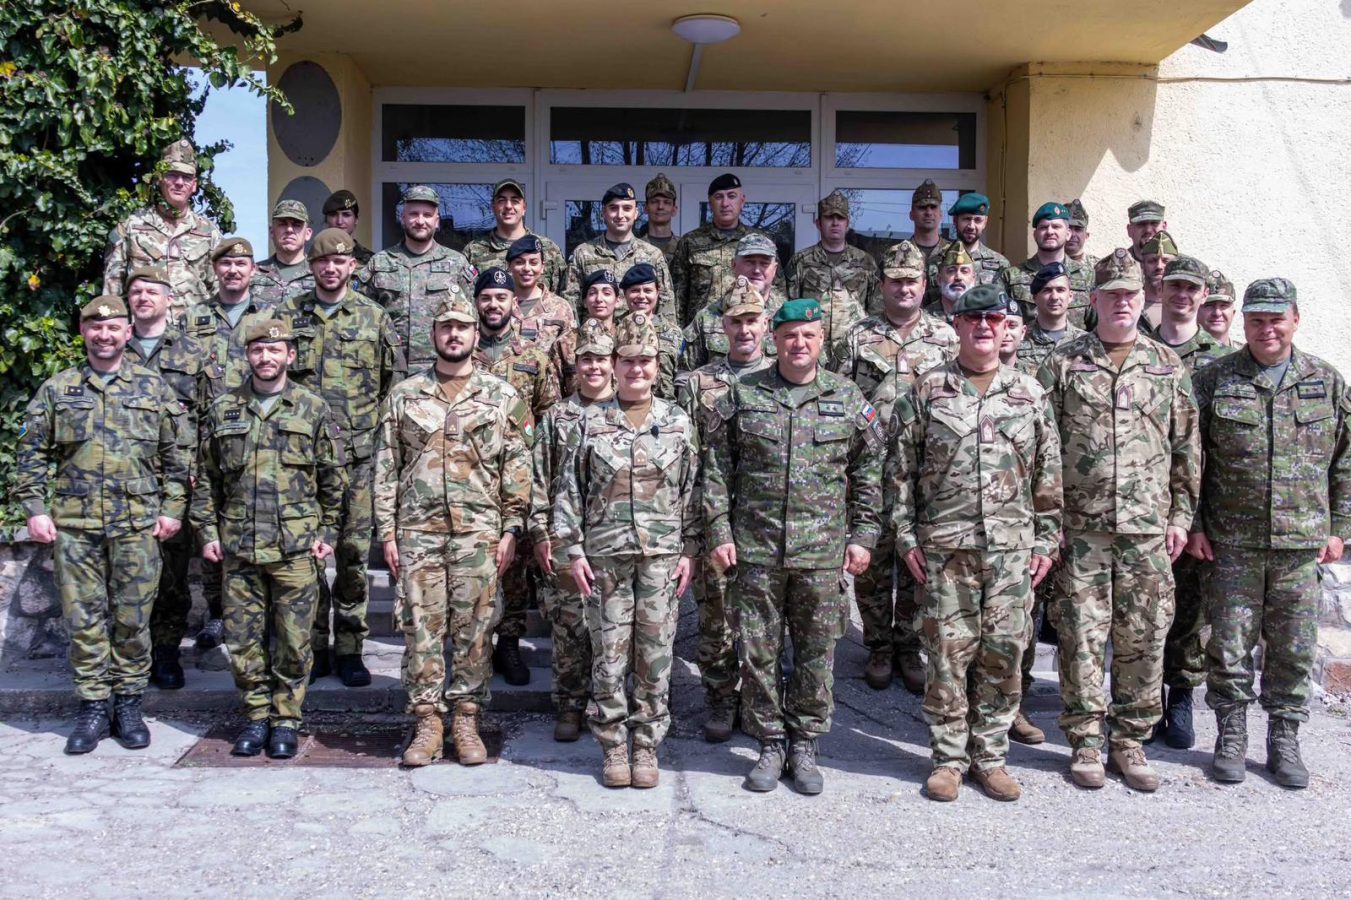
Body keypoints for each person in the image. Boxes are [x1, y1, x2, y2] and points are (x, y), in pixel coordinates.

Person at [704, 298, 885, 795]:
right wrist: (719, 531)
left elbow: (870, 472)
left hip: (821, 553)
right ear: (774, 340)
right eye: (789, 336)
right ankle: (769, 741)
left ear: (821, 339)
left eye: (808, 335)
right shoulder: (743, 395)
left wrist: (863, 535)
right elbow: (715, 471)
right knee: (757, 651)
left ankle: (804, 742)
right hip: (756, 549)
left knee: (815, 652)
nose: (798, 343)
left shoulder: (846, 397)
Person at [1037, 248, 1200, 792]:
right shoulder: (1063, 363)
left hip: (1147, 529)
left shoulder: (1166, 366)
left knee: (1144, 637)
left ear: (1141, 297)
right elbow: (1041, 448)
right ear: (1095, 300)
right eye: (1112, 295)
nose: (1122, 303)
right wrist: (1049, 521)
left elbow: (1186, 448)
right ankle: (1086, 740)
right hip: (1081, 530)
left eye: (1131, 294)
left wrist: (1181, 517)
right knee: (1080, 636)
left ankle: (1130, 739)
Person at [892, 283, 1061, 802]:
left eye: (994, 319)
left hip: (1011, 550)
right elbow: (899, 471)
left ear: (1007, 326)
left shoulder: (1029, 393)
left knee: (1003, 653)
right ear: (957, 326)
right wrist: (904, 535)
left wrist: (1046, 541)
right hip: (946, 550)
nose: (984, 327)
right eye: (973, 319)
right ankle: (948, 759)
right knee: (946, 654)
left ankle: (990, 757)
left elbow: (1048, 472)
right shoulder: (927, 391)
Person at [1190, 278, 1351, 788]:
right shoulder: (1215, 379)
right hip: (1231, 542)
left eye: (1276, 319)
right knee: (1228, 645)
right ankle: (1231, 736)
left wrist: (1341, 528)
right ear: (1244, 322)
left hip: (1301, 544)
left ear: (1295, 320)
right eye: (1256, 320)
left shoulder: (1326, 381)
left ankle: (1284, 738)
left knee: (1293, 648)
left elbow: (1346, 461)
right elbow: (1190, 461)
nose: (1267, 329)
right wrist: (1194, 524)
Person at [15, 296, 189, 754]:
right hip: (76, 525)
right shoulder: (58, 389)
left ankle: (129, 705)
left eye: (113, 327)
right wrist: (35, 508)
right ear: (83, 332)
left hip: (137, 525)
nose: (104, 334)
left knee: (133, 618)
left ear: (128, 332)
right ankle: (93, 706)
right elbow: (30, 453)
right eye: (96, 327)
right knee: (84, 619)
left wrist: (173, 507)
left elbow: (178, 455)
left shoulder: (153, 389)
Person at [374, 292, 533, 767]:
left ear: (475, 333)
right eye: (446, 327)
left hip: (478, 533)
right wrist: (387, 533)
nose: (454, 334)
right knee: (420, 628)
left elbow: (517, 467)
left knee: (476, 628)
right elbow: (385, 467)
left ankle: (466, 718)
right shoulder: (404, 395)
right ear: (434, 334)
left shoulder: (501, 396)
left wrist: (512, 529)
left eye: (462, 327)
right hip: (418, 532)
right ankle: (427, 722)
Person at [556, 312, 699, 788]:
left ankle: (647, 745)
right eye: (629, 361)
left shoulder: (677, 421)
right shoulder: (589, 422)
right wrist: (573, 550)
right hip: (605, 558)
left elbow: (693, 489)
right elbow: (568, 490)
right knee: (609, 655)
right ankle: (614, 744)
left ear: (657, 366)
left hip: (660, 558)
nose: (637, 369)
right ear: (615, 365)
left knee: (655, 656)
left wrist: (690, 549)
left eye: (646, 361)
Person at [192, 316, 346, 759]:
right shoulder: (224, 409)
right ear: (247, 355)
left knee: (295, 641)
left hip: (296, 547)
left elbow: (332, 478)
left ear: (290, 356)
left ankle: (286, 721)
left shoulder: (312, 408)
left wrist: (328, 531)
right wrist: (207, 532)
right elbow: (205, 478)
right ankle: (256, 716)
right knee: (243, 641)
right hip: (240, 545)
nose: (266, 357)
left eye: (274, 350)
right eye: (258, 350)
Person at [834, 240, 958, 692]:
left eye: (911, 281)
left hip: (924, 469)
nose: (904, 288)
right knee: (872, 558)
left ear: (924, 284)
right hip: (871, 466)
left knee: (915, 561)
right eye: (895, 281)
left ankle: (909, 645)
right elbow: (840, 397)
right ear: (882, 284)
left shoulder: (946, 337)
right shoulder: (857, 335)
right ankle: (879, 646)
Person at [282, 228, 403, 687]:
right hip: (303, 461)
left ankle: (350, 647)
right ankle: (314, 646)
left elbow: (393, 384)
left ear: (353, 265)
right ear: (311, 266)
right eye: (321, 261)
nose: (330, 268)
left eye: (339, 260)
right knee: (307, 555)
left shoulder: (374, 317)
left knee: (352, 555)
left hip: (358, 460)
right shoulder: (289, 316)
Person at [675, 279, 773, 741]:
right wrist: (689, 531)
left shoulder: (782, 376)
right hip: (710, 515)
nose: (744, 330)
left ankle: (758, 699)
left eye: (752, 320)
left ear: (765, 324)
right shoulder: (697, 384)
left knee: (762, 617)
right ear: (723, 327)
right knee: (714, 614)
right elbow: (685, 458)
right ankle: (719, 695)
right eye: (736, 322)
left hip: (765, 518)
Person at [1150, 254, 1236, 750]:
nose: (1182, 295)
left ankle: (1180, 696)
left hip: (1198, 506)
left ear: (1203, 297)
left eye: (1192, 289)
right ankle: (1139, 700)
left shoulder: (1222, 361)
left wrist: (1200, 516)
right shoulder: (1136, 344)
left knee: (1189, 609)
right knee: (1139, 612)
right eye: (1175, 286)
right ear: (1162, 290)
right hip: (1140, 502)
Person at [528, 319, 619, 741]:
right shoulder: (557, 416)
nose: (593, 367)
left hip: (613, 538)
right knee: (569, 626)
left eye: (601, 359)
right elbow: (537, 478)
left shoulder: (627, 412)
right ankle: (569, 704)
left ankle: (608, 703)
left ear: (613, 362)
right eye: (586, 360)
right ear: (575, 365)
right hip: (565, 538)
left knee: (612, 627)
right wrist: (540, 532)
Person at [472, 266, 561, 684]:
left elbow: (549, 419)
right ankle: (475, 646)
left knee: (516, 567)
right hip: (470, 478)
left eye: (501, 297)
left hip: (518, 478)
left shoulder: (533, 358)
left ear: (514, 303)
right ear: (477, 303)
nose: (493, 304)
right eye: (486, 297)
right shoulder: (462, 353)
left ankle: (509, 642)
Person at [183, 238, 271, 652]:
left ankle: (261, 612)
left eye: (241, 263)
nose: (233, 270)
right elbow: (179, 383)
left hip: (258, 438)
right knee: (211, 525)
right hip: (208, 439)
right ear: (214, 269)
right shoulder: (192, 319)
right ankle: (218, 612)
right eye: (226, 263)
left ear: (253, 270)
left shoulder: (270, 316)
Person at [122, 267, 208, 691]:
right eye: (136, 291)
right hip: (125, 480)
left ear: (169, 299)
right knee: (126, 576)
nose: (143, 298)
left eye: (152, 291)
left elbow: (208, 417)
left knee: (172, 575)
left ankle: (167, 652)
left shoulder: (193, 353)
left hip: (177, 480)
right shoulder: (114, 348)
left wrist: (199, 473)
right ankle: (129, 659)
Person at [364, 185, 477, 376]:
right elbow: (361, 316)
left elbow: (473, 319)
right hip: (389, 370)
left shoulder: (457, 264)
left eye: (427, 215)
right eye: (413, 214)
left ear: (437, 221)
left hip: (441, 370)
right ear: (403, 218)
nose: (420, 221)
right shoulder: (379, 263)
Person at [103, 139, 221, 322]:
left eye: (186, 177)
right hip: (145, 332)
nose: (179, 183)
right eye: (172, 175)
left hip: (195, 334)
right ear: (159, 178)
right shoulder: (131, 227)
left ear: (194, 185)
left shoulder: (209, 232)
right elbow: (112, 289)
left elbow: (219, 290)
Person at [671, 173, 785, 327]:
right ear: (710, 203)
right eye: (719, 197)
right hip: (704, 331)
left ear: (742, 201)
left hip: (750, 328)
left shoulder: (761, 242)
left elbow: (778, 290)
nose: (725, 203)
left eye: (731, 196)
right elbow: (677, 296)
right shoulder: (690, 242)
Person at [564, 183, 674, 319]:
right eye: (613, 208)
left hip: (640, 331)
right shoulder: (583, 253)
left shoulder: (653, 255)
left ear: (636, 213)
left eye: (627, 208)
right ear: (603, 213)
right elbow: (571, 304)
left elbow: (666, 303)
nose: (620, 215)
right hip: (596, 331)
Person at [681, 234, 786, 371]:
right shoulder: (706, 317)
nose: (756, 270)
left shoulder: (786, 316)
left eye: (764, 263)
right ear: (733, 265)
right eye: (749, 262)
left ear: (775, 269)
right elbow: (685, 374)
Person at [785, 191, 880, 336]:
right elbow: (790, 307)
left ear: (847, 224)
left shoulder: (865, 262)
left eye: (840, 218)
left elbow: (877, 308)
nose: (835, 223)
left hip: (855, 343)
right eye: (829, 217)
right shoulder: (801, 261)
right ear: (818, 223)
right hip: (813, 343)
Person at [998, 201, 1093, 328]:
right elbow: (1002, 323)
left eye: (1056, 227)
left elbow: (1098, 324)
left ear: (1068, 234)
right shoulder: (1012, 276)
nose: (1050, 232)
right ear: (1035, 235)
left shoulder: (1087, 275)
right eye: (1043, 227)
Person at [463, 179, 567, 294]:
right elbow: (466, 297)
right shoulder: (473, 250)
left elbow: (562, 297)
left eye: (515, 201)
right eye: (502, 201)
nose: (508, 206)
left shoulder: (549, 249)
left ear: (524, 208)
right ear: (493, 207)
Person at [508, 234, 577, 392]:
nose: (527, 268)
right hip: (506, 397)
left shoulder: (560, 308)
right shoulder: (498, 306)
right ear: (509, 266)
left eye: (533, 262)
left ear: (542, 267)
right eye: (519, 262)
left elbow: (570, 364)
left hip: (550, 397)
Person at [618, 263, 684, 400]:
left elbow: (683, 377)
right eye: (635, 290)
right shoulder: (615, 330)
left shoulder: (674, 333)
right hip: (622, 405)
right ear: (625, 294)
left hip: (666, 407)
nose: (641, 296)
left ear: (657, 292)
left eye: (648, 291)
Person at [1015, 262, 1084, 375]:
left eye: (1060, 290)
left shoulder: (1085, 341)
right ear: (1034, 298)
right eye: (1047, 290)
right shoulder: (1019, 339)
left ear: (1070, 296)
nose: (1054, 297)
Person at [250, 199, 315, 307]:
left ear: (308, 234)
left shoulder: (319, 274)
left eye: (296, 225)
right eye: (283, 224)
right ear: (271, 232)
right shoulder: (253, 274)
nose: (289, 230)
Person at [946, 192, 1009, 287]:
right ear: (955, 220)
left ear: (985, 223)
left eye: (978, 220)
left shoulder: (1000, 263)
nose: (971, 226)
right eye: (966, 219)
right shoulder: (939, 260)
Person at [909, 179, 951, 310]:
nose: (928, 212)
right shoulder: (897, 254)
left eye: (933, 207)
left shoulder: (953, 254)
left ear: (941, 214)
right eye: (922, 207)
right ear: (911, 214)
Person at [1138, 230, 1178, 332]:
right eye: (1152, 261)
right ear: (1142, 265)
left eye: (1166, 261)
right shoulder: (1130, 304)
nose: (1159, 266)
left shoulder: (1184, 307)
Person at [322, 189, 374, 266]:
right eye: (333, 215)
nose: (339, 221)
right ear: (326, 219)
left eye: (346, 215)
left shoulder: (372, 261)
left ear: (356, 220)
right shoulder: (316, 257)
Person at [927, 241, 976, 321]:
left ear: (973, 279)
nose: (958, 277)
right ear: (939, 279)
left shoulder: (983, 317)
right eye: (951, 271)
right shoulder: (925, 317)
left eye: (964, 271)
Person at [638, 173, 680, 264]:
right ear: (646, 208)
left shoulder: (684, 247)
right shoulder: (634, 247)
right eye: (654, 202)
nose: (660, 206)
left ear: (674, 210)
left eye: (667, 202)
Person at [1200, 270, 1240, 347]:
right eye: (1209, 305)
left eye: (1224, 305)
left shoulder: (1248, 353)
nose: (1217, 313)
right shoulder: (1180, 352)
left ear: (1233, 313)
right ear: (1196, 312)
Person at [1065, 199, 1098, 270]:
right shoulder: (1044, 262)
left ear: (1086, 235)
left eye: (1078, 229)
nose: (1072, 234)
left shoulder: (1098, 267)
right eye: (1068, 228)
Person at [999, 296, 1026, 367]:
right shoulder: (974, 370)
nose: (1005, 332)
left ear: (1023, 332)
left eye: (1012, 326)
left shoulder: (1035, 372)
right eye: (1000, 327)